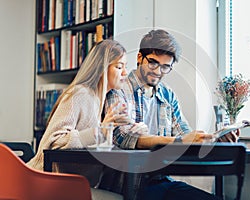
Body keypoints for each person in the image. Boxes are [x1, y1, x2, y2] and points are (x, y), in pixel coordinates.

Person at [104, 29, 239, 200]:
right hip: (128, 185)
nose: (158, 71)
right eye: (153, 63)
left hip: (161, 181)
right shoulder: (120, 89)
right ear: (139, 57)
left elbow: (184, 134)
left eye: (165, 66)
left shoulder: (167, 95)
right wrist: (180, 141)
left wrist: (215, 140)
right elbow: (123, 136)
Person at [27, 40, 147, 198]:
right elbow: (55, 141)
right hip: (46, 182)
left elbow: (97, 145)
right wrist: (100, 131)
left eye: (125, 66)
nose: (125, 73)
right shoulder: (80, 94)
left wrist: (133, 130)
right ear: (102, 68)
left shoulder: (103, 100)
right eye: (119, 67)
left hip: (75, 183)